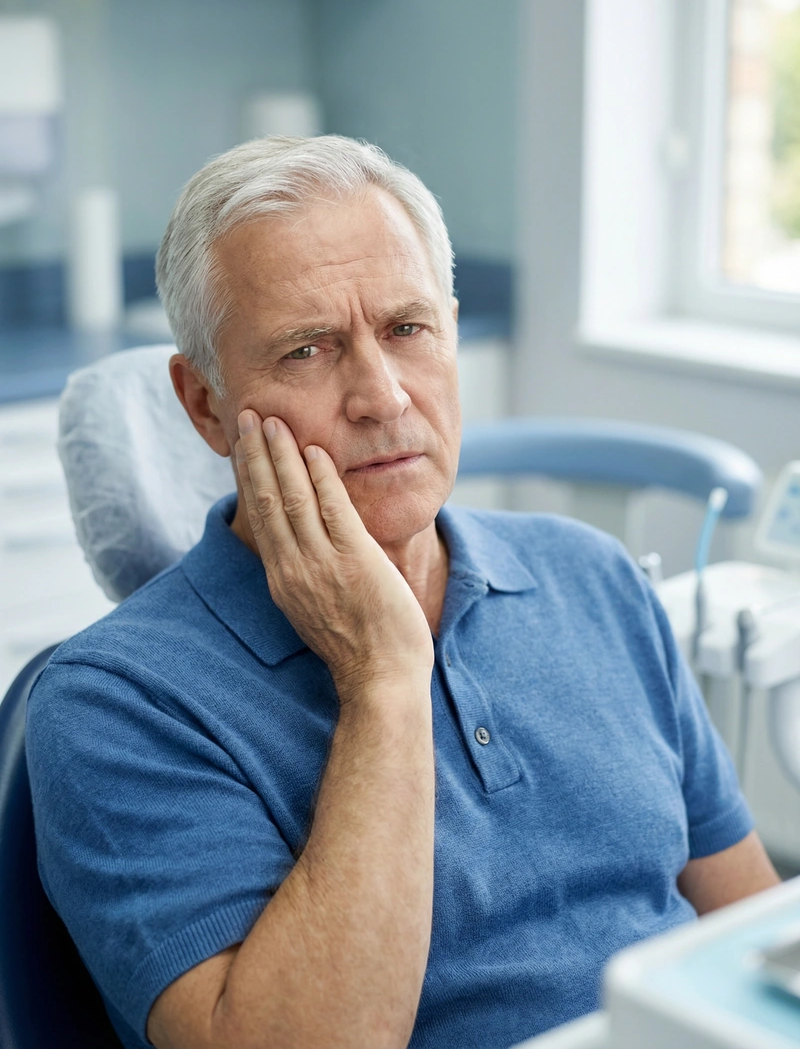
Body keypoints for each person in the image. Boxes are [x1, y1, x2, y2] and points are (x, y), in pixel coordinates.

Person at [26, 136, 779, 1049]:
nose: (382, 397)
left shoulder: (596, 577)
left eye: (407, 329)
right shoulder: (113, 702)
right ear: (205, 404)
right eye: (308, 349)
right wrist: (382, 672)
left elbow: (756, 945)